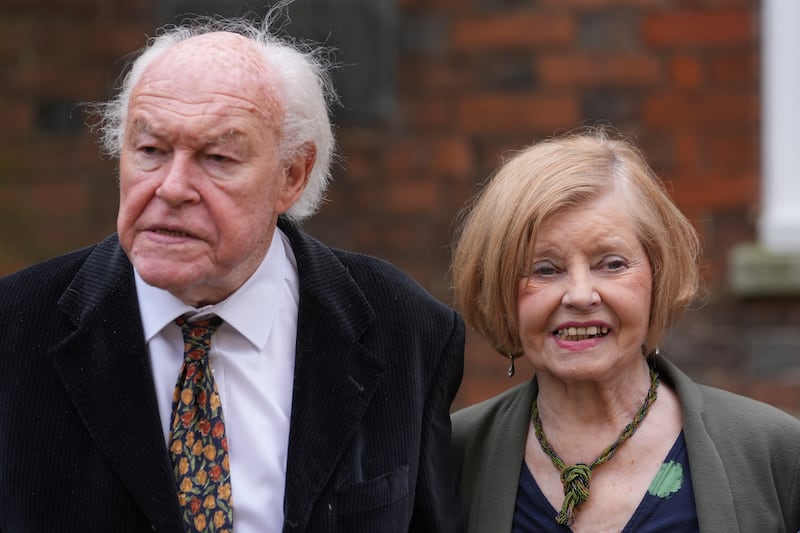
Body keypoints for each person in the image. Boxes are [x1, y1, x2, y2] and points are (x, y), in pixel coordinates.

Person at [0, 12, 464, 533]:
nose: (172, 188)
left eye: (217, 157)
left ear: (293, 174)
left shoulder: (404, 327)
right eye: (150, 150)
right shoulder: (15, 327)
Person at [449, 129, 800, 532]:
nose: (580, 296)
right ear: (498, 290)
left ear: (658, 275)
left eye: (612, 264)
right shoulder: (452, 459)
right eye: (545, 269)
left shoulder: (776, 454)